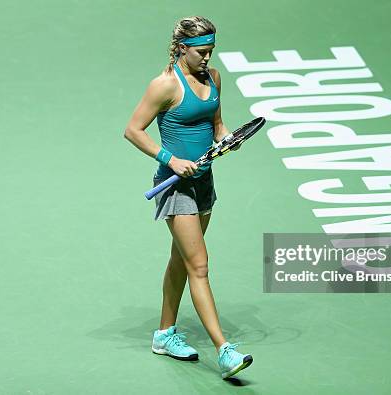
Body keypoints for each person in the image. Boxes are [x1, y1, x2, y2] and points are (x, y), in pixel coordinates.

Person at [124, 16, 253, 379]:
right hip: (175, 186)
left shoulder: (214, 78)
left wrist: (227, 139)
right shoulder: (164, 85)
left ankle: (164, 335)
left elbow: (216, 124)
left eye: (211, 51)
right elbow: (133, 130)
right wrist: (171, 159)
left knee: (181, 260)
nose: (207, 58)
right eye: (200, 52)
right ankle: (224, 350)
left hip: (203, 181)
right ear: (182, 49)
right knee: (199, 265)